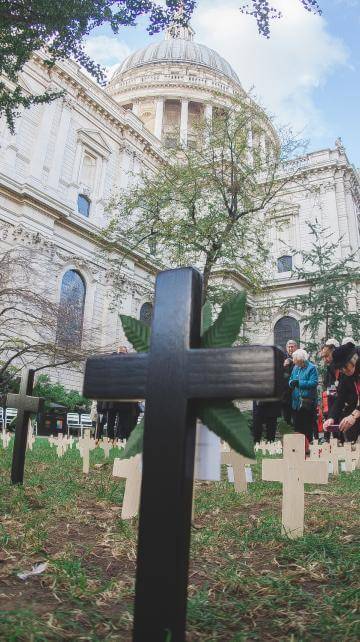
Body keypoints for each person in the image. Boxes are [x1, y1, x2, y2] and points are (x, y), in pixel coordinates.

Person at [323, 342, 360, 442]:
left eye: (344, 366)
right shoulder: (346, 373)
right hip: (353, 406)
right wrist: (331, 417)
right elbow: (340, 397)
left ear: (354, 359)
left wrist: (355, 414)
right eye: (340, 369)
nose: (343, 370)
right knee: (350, 436)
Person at [289, 349, 318, 442]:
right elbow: (291, 379)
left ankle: (308, 446)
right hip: (296, 402)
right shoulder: (295, 367)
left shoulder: (311, 368)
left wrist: (299, 383)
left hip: (307, 403)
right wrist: (291, 383)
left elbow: (313, 383)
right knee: (297, 426)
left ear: (302, 360)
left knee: (307, 427)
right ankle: (298, 448)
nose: (295, 363)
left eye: (297, 361)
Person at [282, 339, 298, 425]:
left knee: (297, 417)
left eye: (292, 347)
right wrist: (283, 365)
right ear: (286, 348)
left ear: (296, 347)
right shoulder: (282, 358)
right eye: (289, 347)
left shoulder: (300, 358)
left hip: (296, 391)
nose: (290, 349)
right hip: (286, 392)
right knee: (286, 417)